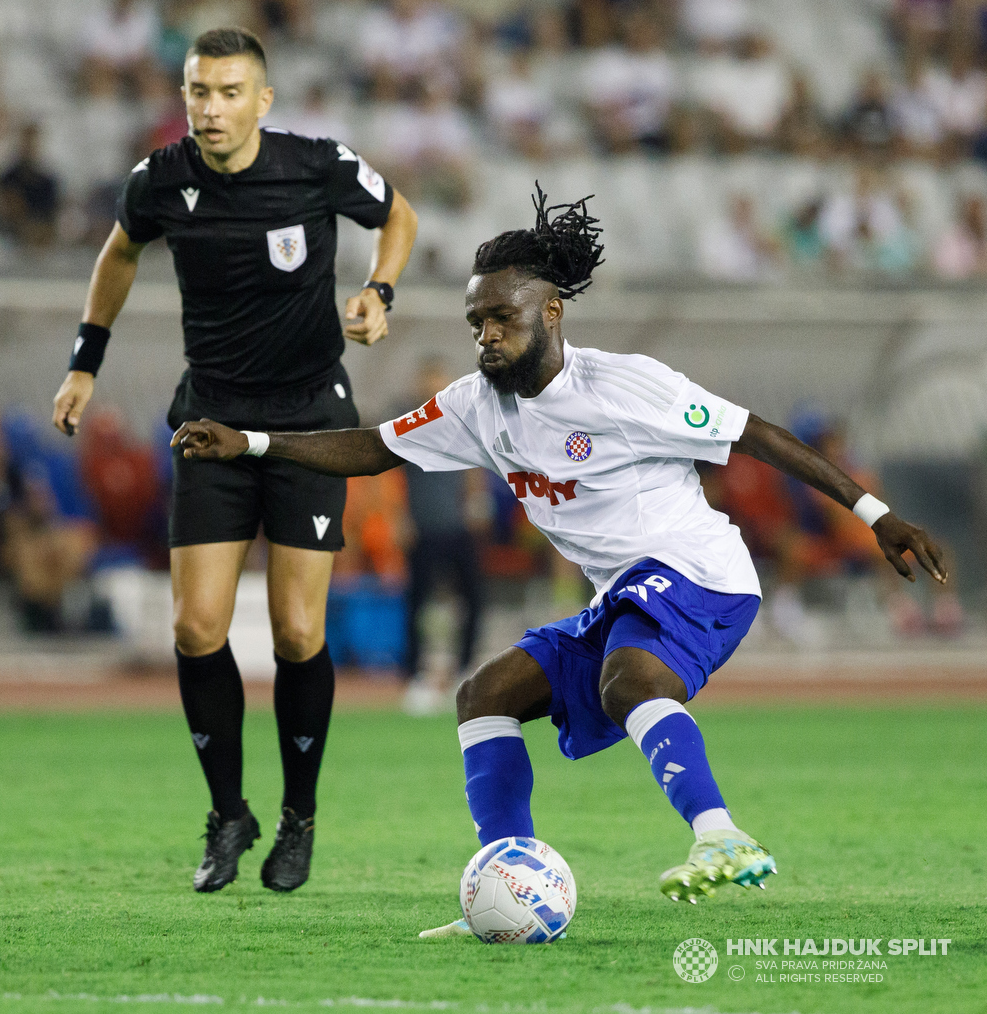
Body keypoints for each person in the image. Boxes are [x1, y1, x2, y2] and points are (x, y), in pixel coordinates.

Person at [171, 185, 947, 927]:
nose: (486, 336)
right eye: (475, 321)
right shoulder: (477, 404)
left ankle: (721, 835)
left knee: (626, 678)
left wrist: (875, 514)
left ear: (550, 312)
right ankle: (504, 883)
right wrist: (251, 443)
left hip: (701, 573)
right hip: (627, 591)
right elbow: (374, 449)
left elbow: (755, 434)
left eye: (500, 318)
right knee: (483, 696)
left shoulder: (624, 386)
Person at [51, 27, 418, 894]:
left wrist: (379, 291)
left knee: (297, 633)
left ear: (263, 101)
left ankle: (299, 815)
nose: (209, 109)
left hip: (307, 423)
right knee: (195, 628)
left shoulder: (316, 166)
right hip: (211, 424)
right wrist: (82, 361)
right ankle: (229, 814)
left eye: (226, 93)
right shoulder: (159, 182)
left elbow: (397, 215)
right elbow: (119, 253)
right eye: (197, 92)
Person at [397, 357, 486, 716]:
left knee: (473, 600)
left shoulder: (462, 422)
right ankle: (415, 675)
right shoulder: (407, 425)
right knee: (416, 602)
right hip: (423, 528)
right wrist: (399, 516)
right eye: (429, 380)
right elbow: (395, 477)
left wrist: (477, 505)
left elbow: (474, 469)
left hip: (458, 528)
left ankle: (464, 670)